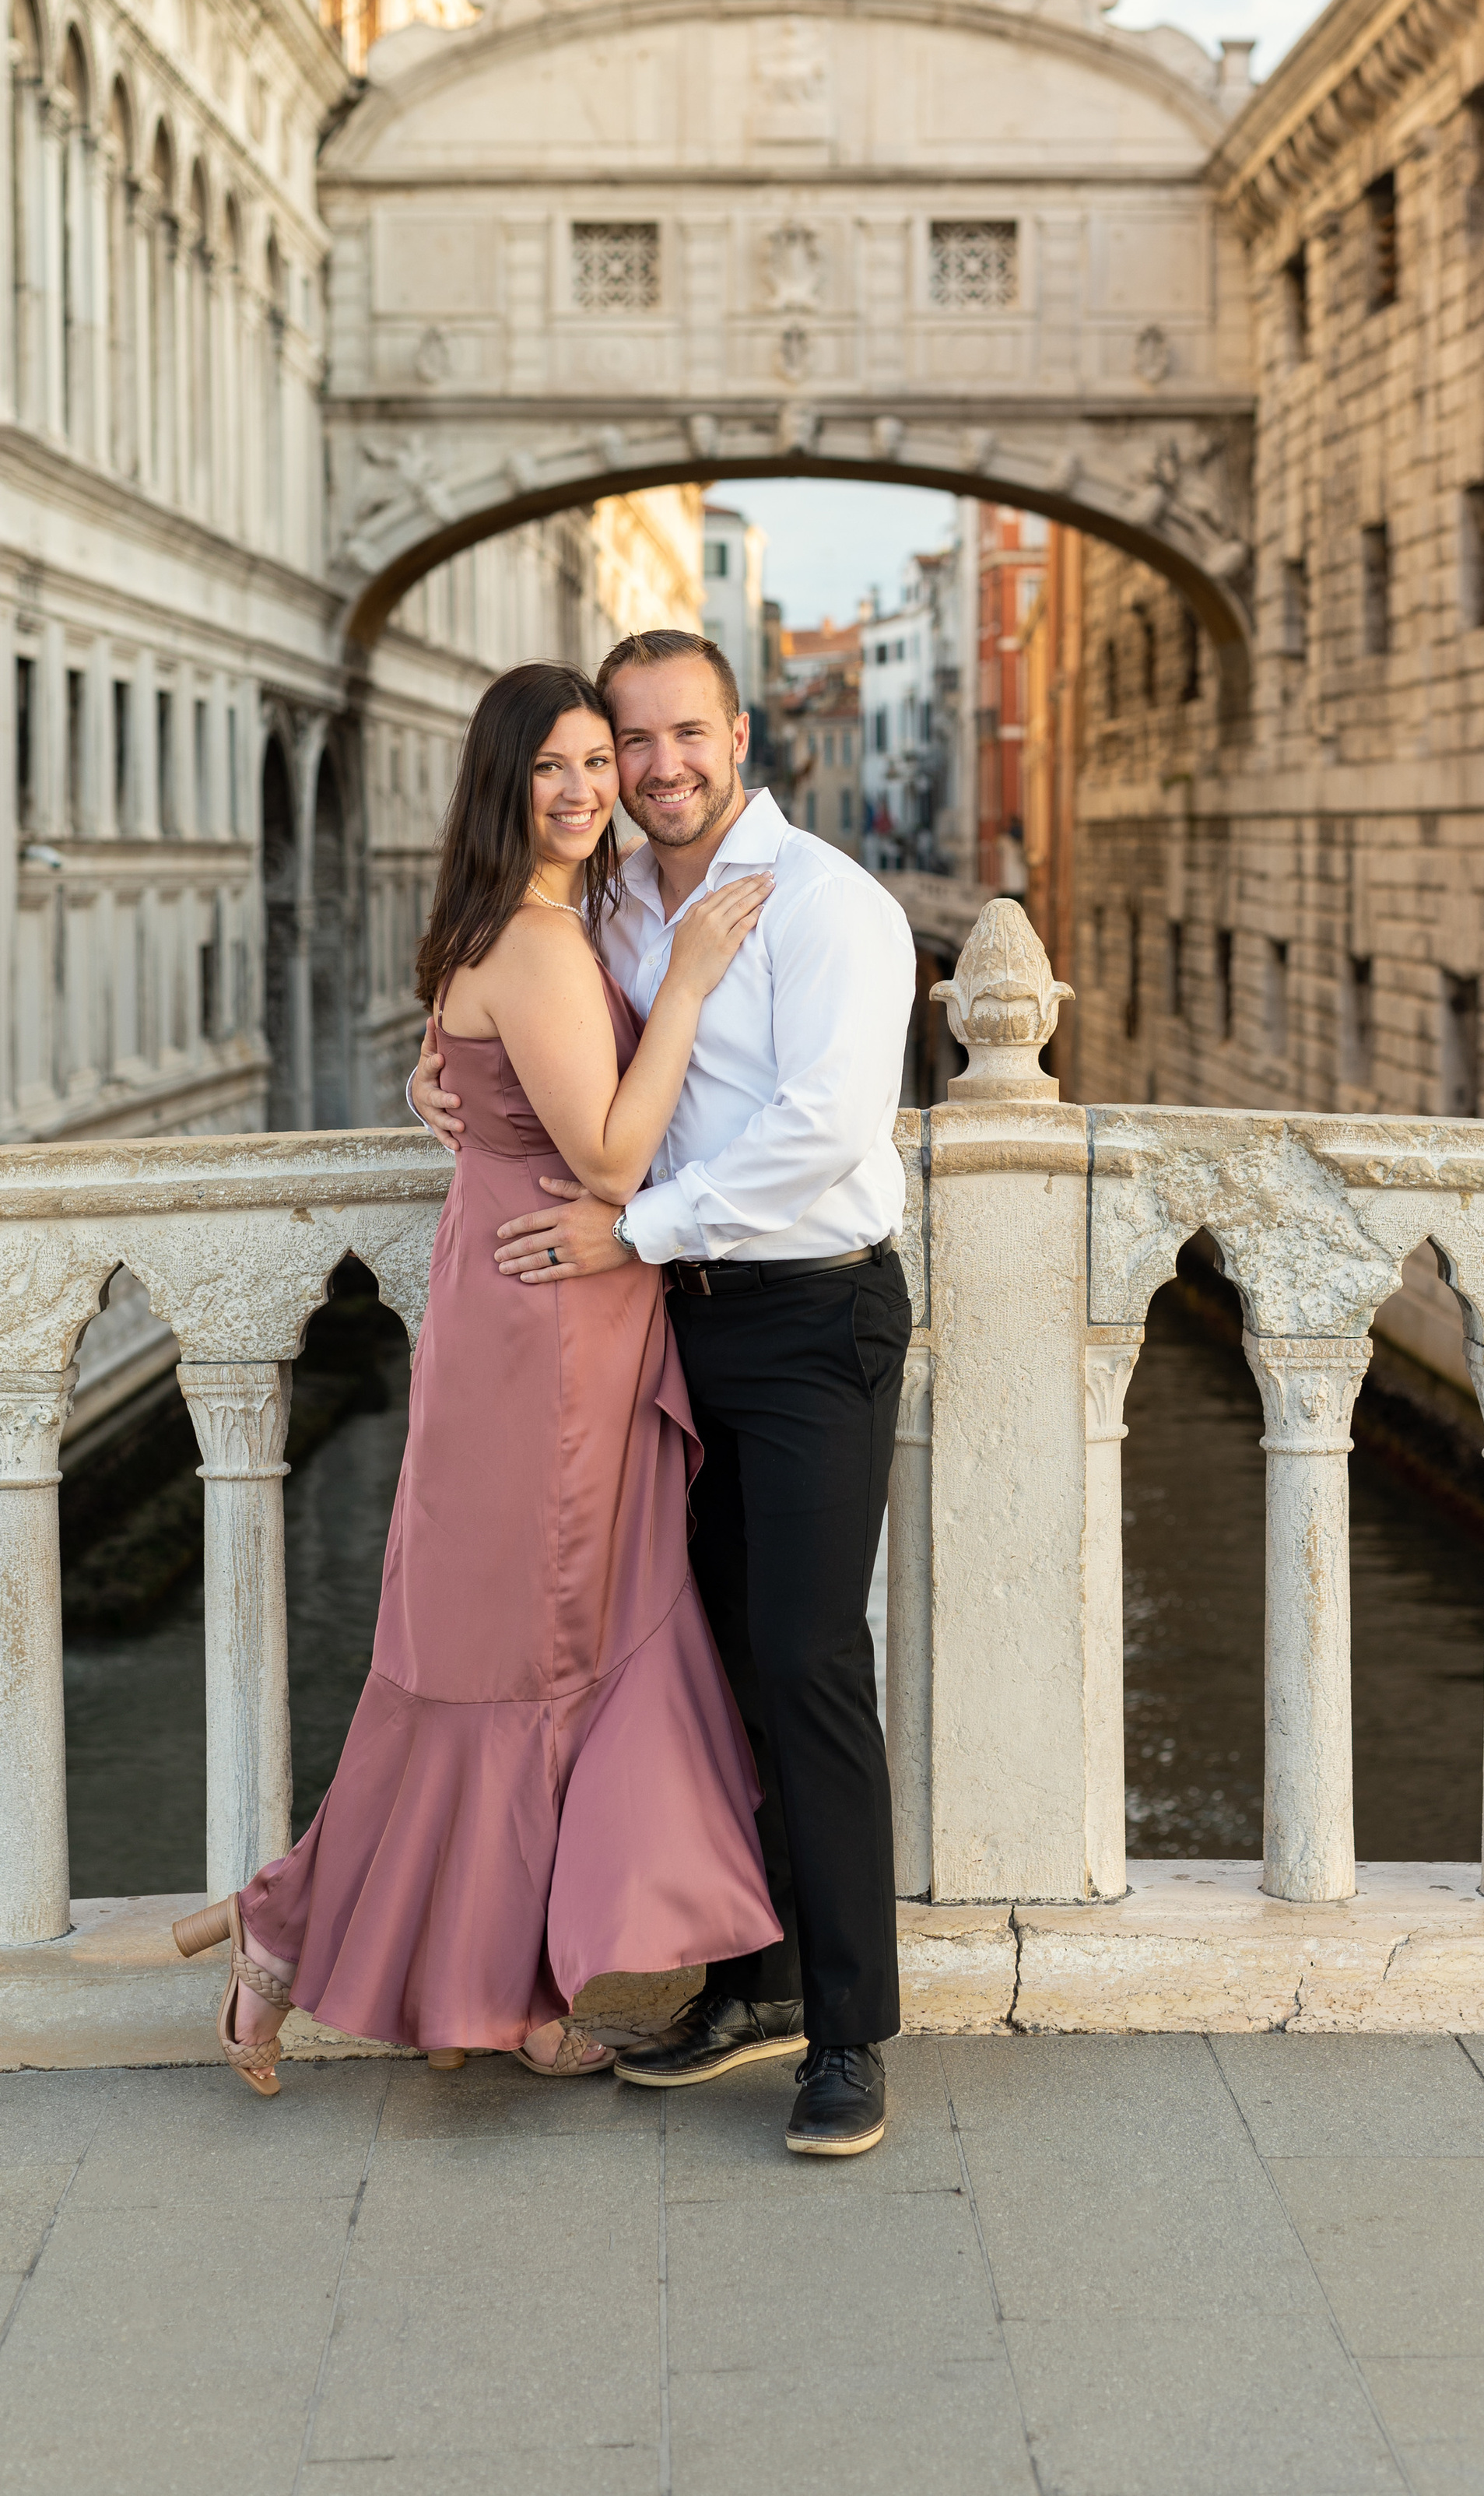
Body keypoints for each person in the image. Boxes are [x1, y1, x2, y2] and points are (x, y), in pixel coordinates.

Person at [171, 659, 781, 2091]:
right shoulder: (544, 940)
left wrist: (450, 1089)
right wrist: (691, 980)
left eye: (593, 761)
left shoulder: (525, 925)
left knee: (514, 1654)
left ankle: (409, 1958)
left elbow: (495, 1091)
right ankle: (387, 1953)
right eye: (550, 769)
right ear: (503, 788)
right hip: (550, 1335)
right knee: (521, 1656)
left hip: (542, 1314)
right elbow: (617, 1158)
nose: (583, 791)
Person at [412, 627, 915, 2159]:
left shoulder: (833, 904)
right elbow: (537, 1032)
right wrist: (437, 1074)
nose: (656, 765)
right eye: (629, 741)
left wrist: (631, 1223)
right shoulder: (618, 900)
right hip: (668, 1331)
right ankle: (747, 1982)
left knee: (806, 1660)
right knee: (702, 1665)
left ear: (742, 732)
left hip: (811, 1320)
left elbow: (825, 1137)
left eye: (683, 732)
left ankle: (847, 2031)